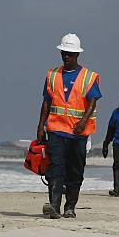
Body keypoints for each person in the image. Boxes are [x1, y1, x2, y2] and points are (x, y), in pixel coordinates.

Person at [36, 33, 102, 219]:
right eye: (64, 53)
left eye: (70, 54)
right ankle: (54, 207)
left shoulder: (89, 77)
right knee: (55, 168)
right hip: (56, 129)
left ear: (77, 55)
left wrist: (82, 123)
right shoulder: (52, 75)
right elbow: (46, 102)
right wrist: (41, 125)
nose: (66, 56)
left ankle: (70, 206)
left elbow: (92, 102)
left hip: (78, 133)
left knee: (75, 170)